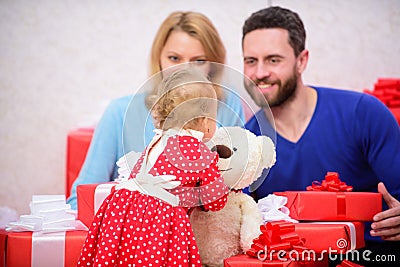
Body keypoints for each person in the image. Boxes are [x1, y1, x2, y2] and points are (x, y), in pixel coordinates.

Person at [241, 6, 400, 266]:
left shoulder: (363, 113)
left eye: (273, 60)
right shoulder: (247, 144)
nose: (259, 73)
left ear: (301, 60)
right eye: (250, 61)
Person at [67, 11, 245, 210]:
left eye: (199, 61)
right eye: (174, 58)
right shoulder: (119, 113)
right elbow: (79, 200)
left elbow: (239, 190)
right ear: (158, 59)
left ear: (213, 66)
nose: (185, 70)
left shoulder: (229, 107)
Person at [77, 67, 230, 267]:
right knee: (156, 258)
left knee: (123, 257)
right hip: (159, 216)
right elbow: (215, 200)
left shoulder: (157, 141)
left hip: (121, 206)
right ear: (204, 121)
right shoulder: (200, 152)